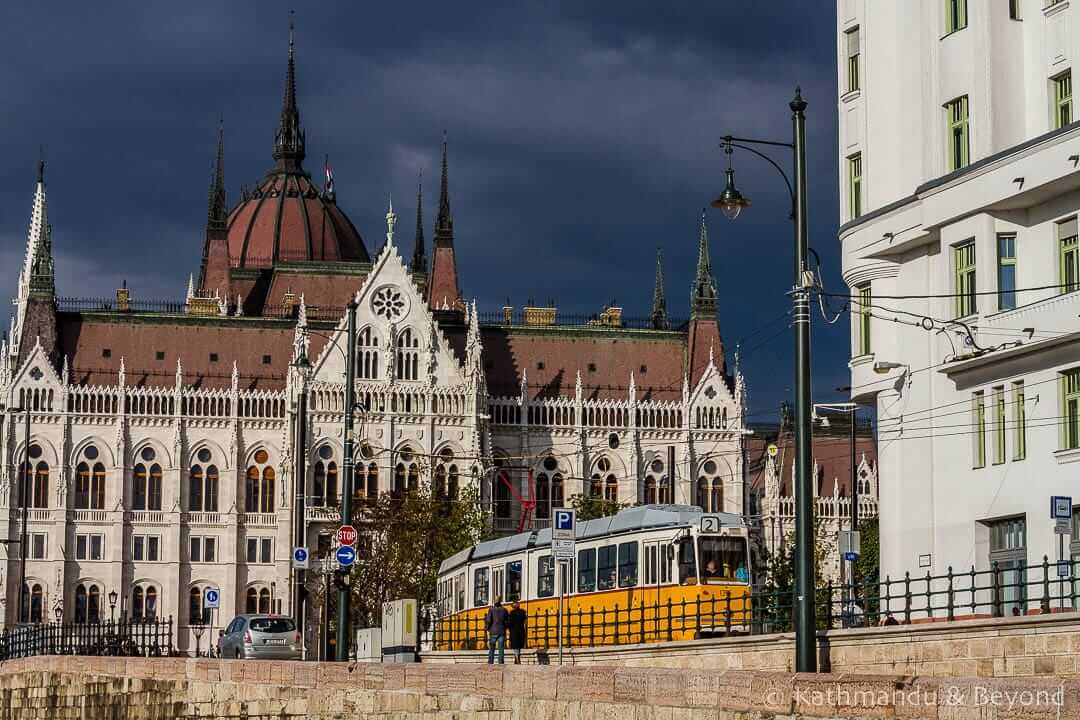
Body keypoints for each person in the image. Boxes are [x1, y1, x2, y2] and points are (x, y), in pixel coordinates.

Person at [484, 597, 508, 665]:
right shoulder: (504, 610)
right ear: (500, 601)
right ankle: (501, 662)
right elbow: (507, 621)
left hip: (493, 630)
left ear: (494, 601)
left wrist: (487, 628)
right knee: (501, 648)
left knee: (492, 648)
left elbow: (488, 620)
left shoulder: (491, 610)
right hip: (501, 631)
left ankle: (490, 661)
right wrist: (504, 628)